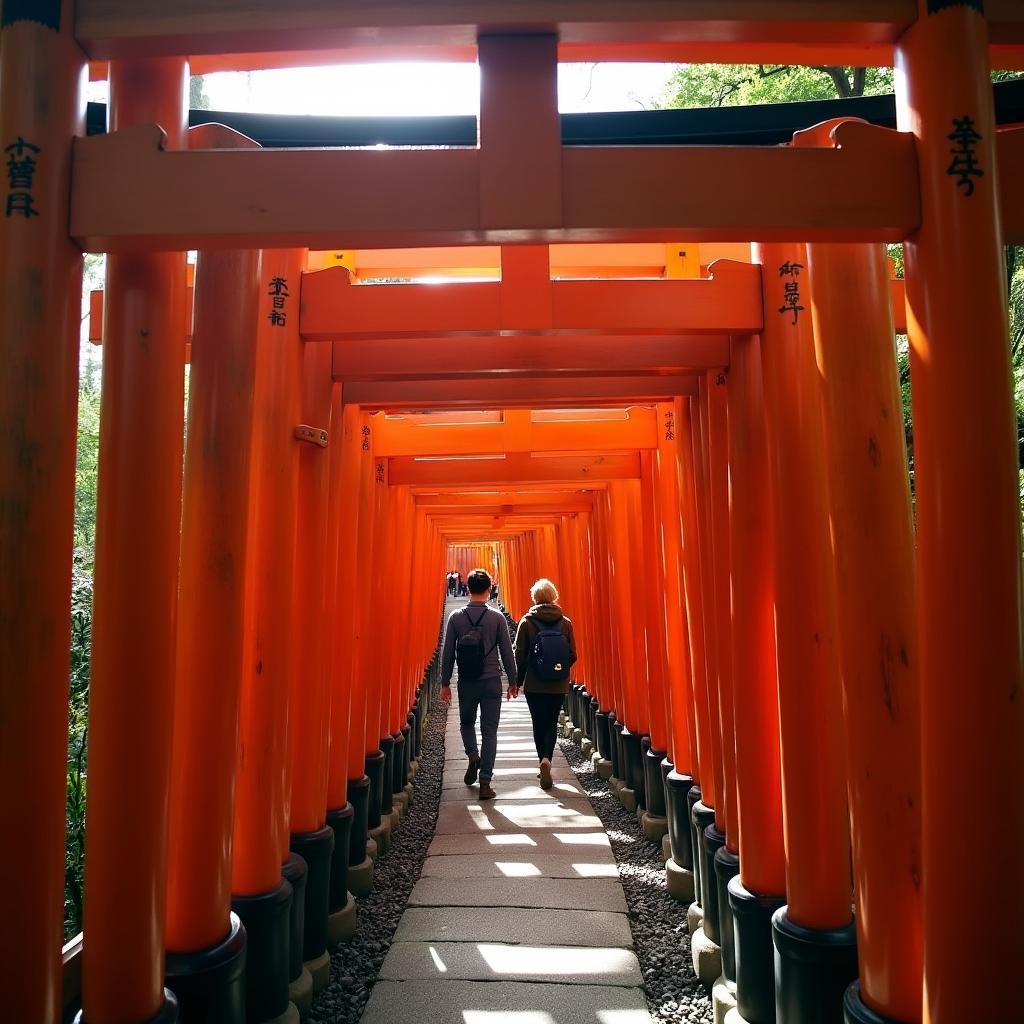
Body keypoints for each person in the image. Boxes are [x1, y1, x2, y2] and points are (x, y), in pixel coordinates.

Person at [439, 568, 517, 800]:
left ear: (468, 587)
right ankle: (485, 782)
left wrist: (445, 683)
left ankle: (473, 755)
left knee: (466, 723)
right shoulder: (497, 617)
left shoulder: (456, 618)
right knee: (490, 730)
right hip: (492, 680)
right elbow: (506, 652)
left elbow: (448, 653)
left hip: (467, 680)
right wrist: (513, 681)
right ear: (488, 588)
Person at [513, 578, 577, 791]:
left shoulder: (527, 621)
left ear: (535, 598)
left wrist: (517, 681)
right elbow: (572, 655)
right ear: (554, 596)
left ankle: (542, 758)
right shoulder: (565, 622)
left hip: (534, 683)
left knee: (538, 722)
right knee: (551, 721)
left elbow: (519, 655)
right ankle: (548, 758)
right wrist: (559, 670)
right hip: (557, 684)